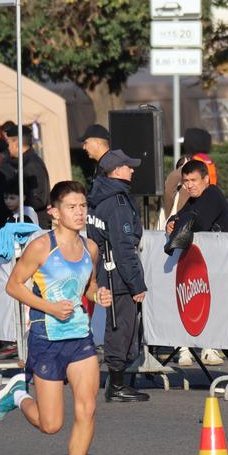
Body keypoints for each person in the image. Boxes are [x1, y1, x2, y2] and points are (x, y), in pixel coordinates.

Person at [0, 181, 111, 455]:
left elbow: (88, 285)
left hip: (79, 336)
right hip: (47, 335)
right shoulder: (42, 247)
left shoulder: (90, 248)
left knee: (87, 408)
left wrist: (98, 293)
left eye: (83, 205)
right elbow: (14, 286)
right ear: (54, 212)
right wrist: (49, 307)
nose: (80, 212)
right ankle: (18, 395)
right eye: (72, 206)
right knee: (51, 424)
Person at [166, 160, 228, 374]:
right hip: (211, 271)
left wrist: (180, 221)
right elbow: (182, 215)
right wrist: (173, 221)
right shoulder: (194, 199)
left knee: (227, 324)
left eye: (194, 180)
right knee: (218, 325)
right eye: (185, 181)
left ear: (206, 179)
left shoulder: (212, 195)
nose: (189, 185)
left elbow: (199, 223)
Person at [87, 149, 149, 403]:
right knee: (121, 327)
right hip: (119, 275)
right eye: (128, 166)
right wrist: (136, 283)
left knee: (117, 326)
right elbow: (123, 245)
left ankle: (117, 380)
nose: (132, 170)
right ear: (116, 170)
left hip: (105, 269)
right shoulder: (118, 202)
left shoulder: (98, 197)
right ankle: (118, 384)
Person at [163, 127, 219, 218]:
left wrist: (168, 214)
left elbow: (169, 189)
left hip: (188, 213)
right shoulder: (210, 163)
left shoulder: (190, 165)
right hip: (208, 209)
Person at [4, 123, 51, 229]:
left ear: (17, 143)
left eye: (8, 143)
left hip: (34, 225)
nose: (7, 147)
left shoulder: (32, 165)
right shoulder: (20, 163)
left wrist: (16, 202)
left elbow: (39, 199)